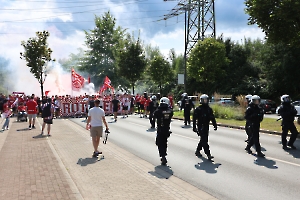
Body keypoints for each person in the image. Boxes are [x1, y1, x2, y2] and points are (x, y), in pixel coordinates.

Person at [193, 94, 217, 160]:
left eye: (206, 100)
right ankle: (208, 154)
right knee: (204, 141)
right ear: (201, 100)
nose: (205, 101)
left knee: (204, 139)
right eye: (204, 100)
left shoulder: (209, 109)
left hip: (206, 126)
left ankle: (197, 151)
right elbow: (194, 119)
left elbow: (212, 117)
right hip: (200, 126)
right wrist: (194, 127)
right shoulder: (198, 109)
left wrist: (215, 125)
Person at [153, 97, 173, 165]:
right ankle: (164, 154)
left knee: (159, 143)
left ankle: (163, 156)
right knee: (164, 142)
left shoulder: (158, 111)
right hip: (167, 129)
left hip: (160, 129)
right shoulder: (170, 111)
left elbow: (154, 115)